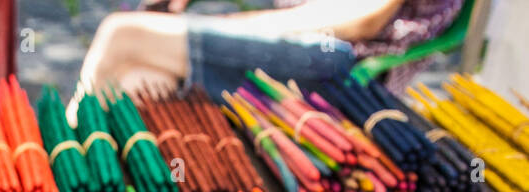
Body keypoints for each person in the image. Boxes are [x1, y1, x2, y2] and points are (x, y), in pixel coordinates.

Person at [74, 0, 464, 100]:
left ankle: (58, 168)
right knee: (138, 78)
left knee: (122, 36)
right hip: (302, 37)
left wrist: (238, 27)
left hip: (345, 61)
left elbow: (361, 18)